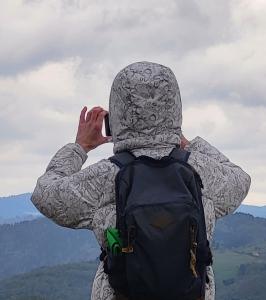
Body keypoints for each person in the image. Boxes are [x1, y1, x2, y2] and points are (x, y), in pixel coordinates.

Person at [31, 61, 251, 300]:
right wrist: (186, 142)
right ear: (175, 109)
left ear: (116, 115)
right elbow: (240, 179)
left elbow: (45, 194)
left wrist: (80, 147)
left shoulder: (104, 178)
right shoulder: (201, 171)